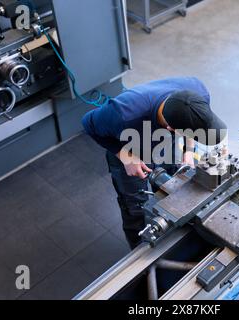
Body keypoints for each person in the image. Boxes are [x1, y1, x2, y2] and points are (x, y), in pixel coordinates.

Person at [82, 77, 227, 248]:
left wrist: (189, 151)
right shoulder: (124, 113)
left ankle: (170, 232)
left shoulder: (198, 92)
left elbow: (191, 124)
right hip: (129, 151)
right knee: (135, 206)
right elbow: (88, 123)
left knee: (173, 188)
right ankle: (139, 253)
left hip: (163, 143)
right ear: (172, 128)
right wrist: (125, 157)